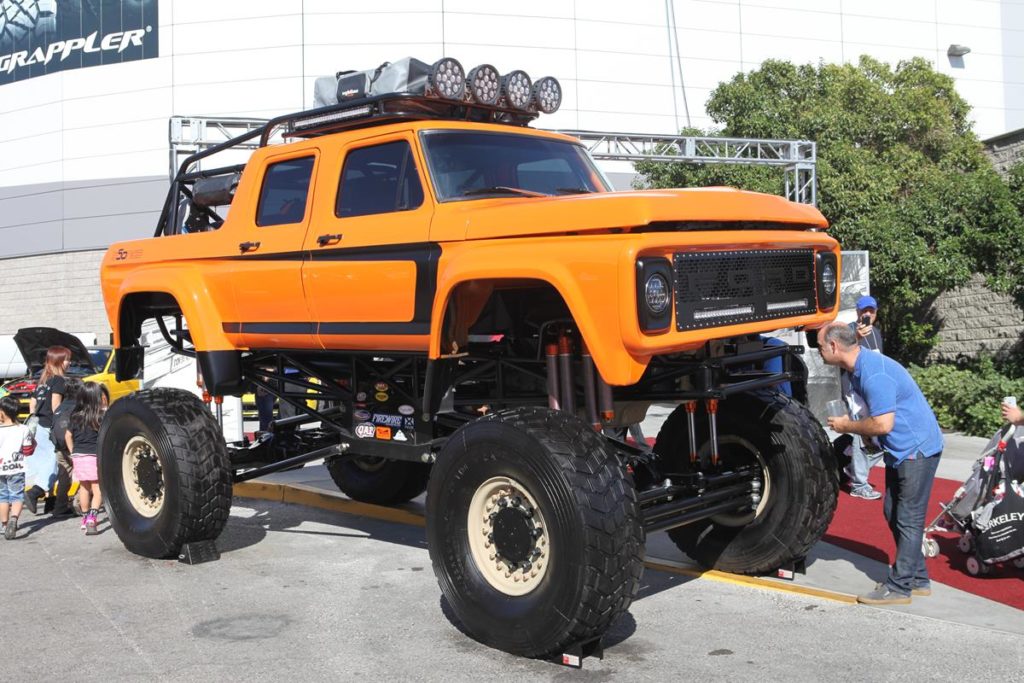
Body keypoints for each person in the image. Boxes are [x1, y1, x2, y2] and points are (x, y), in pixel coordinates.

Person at [818, 322, 944, 605]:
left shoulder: (874, 373)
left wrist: (847, 426)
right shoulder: (860, 368)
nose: (819, 351)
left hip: (917, 450)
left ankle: (900, 588)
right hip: (903, 450)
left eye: (820, 346)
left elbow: (883, 424)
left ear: (834, 346)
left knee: (908, 519)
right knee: (892, 511)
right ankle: (918, 578)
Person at [841, 294, 885, 500]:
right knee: (862, 435)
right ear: (857, 312)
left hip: (875, 391)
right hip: (855, 392)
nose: (868, 314)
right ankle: (859, 483)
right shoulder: (848, 331)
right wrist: (857, 337)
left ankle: (851, 465)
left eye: (871, 311)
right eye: (864, 311)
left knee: (883, 436)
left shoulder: (876, 333)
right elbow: (842, 354)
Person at [24, 345, 70, 514]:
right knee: (53, 462)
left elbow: (33, 404)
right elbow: (55, 405)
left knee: (47, 463)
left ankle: (51, 501)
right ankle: (34, 492)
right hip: (49, 426)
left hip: (36, 425)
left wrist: (34, 420)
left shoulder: (43, 381)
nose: (69, 362)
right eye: (66, 359)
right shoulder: (58, 380)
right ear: (58, 361)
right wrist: (59, 426)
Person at [65, 381, 105, 536]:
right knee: (97, 488)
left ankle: (84, 517)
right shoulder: (99, 416)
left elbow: (68, 435)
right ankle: (92, 518)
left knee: (84, 487)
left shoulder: (75, 416)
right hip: (94, 456)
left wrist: (72, 452)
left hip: (78, 456)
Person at [50, 378, 84, 517]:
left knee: (64, 477)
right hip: (74, 447)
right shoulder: (78, 407)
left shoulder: (59, 407)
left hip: (59, 448)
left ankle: (60, 507)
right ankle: (79, 503)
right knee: (86, 476)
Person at [0, 396, 31, 540]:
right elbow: (28, 450)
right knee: (16, 495)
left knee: (3, 497)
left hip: (0, 469)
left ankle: (4, 524)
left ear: (2, 412)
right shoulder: (23, 429)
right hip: (17, 468)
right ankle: (14, 519)